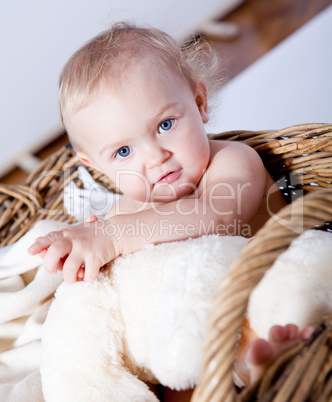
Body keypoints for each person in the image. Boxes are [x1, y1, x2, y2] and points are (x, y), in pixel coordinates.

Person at [27, 22, 308, 397]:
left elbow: (217, 218)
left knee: (288, 301)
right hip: (183, 343)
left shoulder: (231, 163)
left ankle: (274, 364)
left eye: (165, 125)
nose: (156, 157)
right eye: (123, 152)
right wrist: (84, 256)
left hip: (263, 294)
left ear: (200, 103)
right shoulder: (127, 208)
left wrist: (112, 236)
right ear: (96, 166)